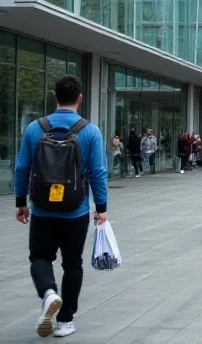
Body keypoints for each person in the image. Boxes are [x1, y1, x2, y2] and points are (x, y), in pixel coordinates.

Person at [14, 74, 107, 339]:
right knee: (72, 264)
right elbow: (98, 172)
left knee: (39, 257)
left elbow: (22, 167)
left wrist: (21, 201)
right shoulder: (89, 130)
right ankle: (65, 320)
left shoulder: (35, 128)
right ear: (79, 98)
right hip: (75, 209)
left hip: (42, 208)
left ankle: (48, 293)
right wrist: (101, 206)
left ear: (55, 97)